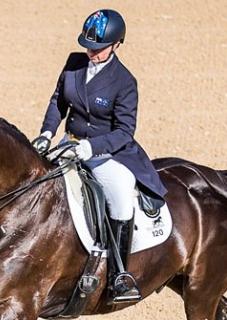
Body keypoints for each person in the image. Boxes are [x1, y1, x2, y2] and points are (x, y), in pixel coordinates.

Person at [33, 9, 167, 304]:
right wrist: (46, 133)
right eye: (88, 46)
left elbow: (124, 131)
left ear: (117, 44)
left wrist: (91, 148)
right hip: (69, 144)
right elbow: (58, 101)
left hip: (106, 154)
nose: (91, 52)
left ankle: (119, 275)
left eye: (98, 48)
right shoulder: (74, 63)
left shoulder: (124, 82)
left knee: (119, 198)